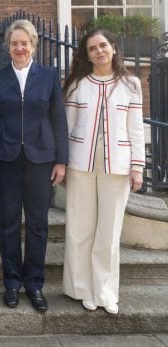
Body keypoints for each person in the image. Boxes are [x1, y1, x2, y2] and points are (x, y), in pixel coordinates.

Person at [0, 19, 68, 312]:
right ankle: (12, 284)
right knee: (7, 224)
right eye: (14, 43)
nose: (19, 48)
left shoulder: (48, 76)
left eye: (24, 43)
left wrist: (61, 160)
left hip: (41, 160)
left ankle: (34, 284)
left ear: (33, 45)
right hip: (5, 161)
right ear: (8, 47)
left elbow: (58, 118)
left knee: (37, 225)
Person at [62, 28, 145, 315]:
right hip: (79, 164)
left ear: (113, 48)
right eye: (92, 48)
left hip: (118, 166)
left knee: (109, 232)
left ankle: (105, 292)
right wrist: (60, 163)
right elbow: (66, 127)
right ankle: (81, 288)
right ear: (87, 55)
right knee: (80, 228)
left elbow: (135, 129)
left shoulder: (131, 84)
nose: (99, 52)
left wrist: (137, 167)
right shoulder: (77, 84)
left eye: (103, 46)